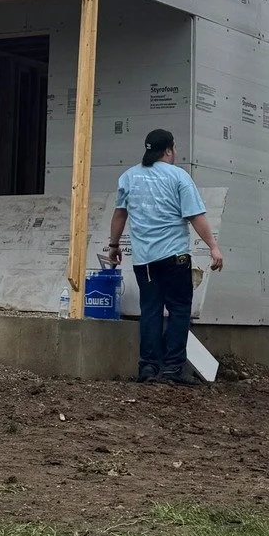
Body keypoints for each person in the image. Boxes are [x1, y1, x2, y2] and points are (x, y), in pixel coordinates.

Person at [106, 128, 224, 384]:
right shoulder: (178, 176)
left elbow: (119, 215)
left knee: (150, 311)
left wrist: (114, 246)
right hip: (174, 258)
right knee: (179, 310)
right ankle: (172, 370)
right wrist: (213, 246)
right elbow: (195, 216)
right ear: (168, 150)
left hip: (144, 261)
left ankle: (147, 369)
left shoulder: (128, 177)